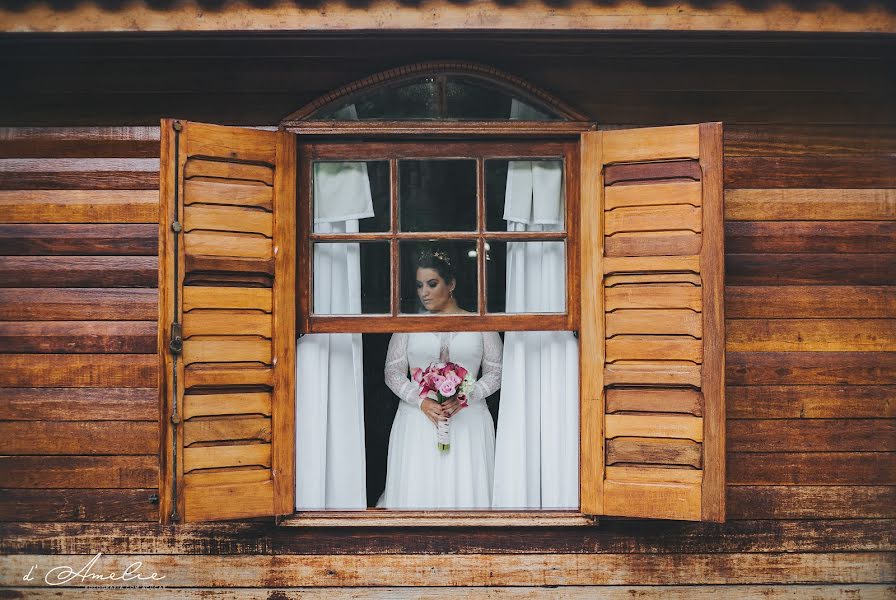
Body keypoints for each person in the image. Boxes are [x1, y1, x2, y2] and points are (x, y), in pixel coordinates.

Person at [378, 248, 503, 508]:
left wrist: (467, 395)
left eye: (432, 284)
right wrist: (420, 400)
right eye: (419, 285)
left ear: (452, 284)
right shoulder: (408, 325)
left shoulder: (481, 324)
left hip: (468, 421)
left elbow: (497, 371)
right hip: (417, 420)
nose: (424, 292)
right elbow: (392, 370)